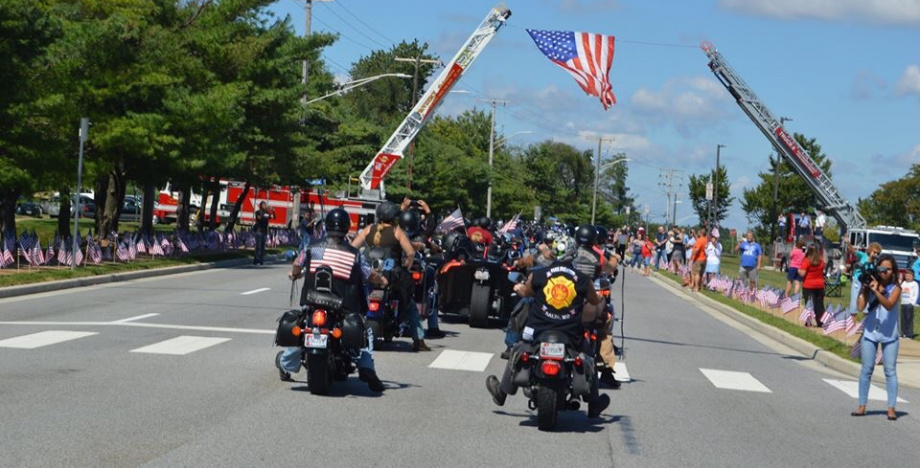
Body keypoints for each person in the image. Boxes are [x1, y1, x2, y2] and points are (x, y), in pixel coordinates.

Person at [485, 235, 611, 419]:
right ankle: (593, 404)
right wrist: (598, 297)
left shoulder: (539, 274)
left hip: (537, 330)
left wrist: (518, 288)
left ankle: (502, 393)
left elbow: (526, 292)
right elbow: (593, 300)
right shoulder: (583, 279)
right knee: (588, 356)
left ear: (553, 253)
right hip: (571, 334)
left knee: (517, 349)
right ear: (573, 254)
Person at [276, 208, 387, 392]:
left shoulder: (312, 248)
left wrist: (294, 274)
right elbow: (369, 275)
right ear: (346, 228)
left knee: (304, 330)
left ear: (326, 225)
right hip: (342, 306)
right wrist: (382, 279)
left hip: (313, 301)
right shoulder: (354, 254)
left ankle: (286, 363)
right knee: (366, 332)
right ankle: (367, 367)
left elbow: (297, 265)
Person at [351, 201, 430, 352]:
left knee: (356, 297)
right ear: (395, 217)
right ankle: (418, 339)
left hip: (369, 273)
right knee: (410, 305)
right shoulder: (397, 231)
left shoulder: (368, 229)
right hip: (391, 274)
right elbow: (410, 253)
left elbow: (353, 247)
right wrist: (407, 264)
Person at [851, 254, 902, 421]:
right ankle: (862, 406)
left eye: (888, 269)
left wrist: (876, 291)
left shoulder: (895, 288)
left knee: (890, 371)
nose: (884, 272)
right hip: (870, 332)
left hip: (890, 334)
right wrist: (864, 288)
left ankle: (891, 408)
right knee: (866, 369)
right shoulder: (872, 283)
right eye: (881, 268)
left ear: (893, 271)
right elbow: (860, 307)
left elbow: (889, 305)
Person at [572, 225, 622, 389]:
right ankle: (606, 369)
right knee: (604, 326)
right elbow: (610, 267)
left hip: (567, 297)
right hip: (587, 298)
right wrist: (616, 258)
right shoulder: (597, 255)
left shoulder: (569, 251)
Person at [798, 243, 826, 327]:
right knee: (819, 305)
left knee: (809, 304)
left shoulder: (807, 260)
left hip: (809, 285)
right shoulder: (821, 261)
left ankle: (809, 321)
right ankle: (820, 321)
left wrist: (798, 270)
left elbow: (802, 273)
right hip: (820, 285)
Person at [900, 270, 917, 339]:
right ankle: (903, 333)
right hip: (903, 302)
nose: (908, 277)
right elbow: (900, 290)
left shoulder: (914, 284)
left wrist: (912, 302)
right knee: (903, 319)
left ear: (913, 276)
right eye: (907, 276)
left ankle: (909, 334)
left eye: (910, 276)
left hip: (909, 303)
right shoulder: (904, 283)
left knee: (909, 319)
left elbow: (916, 294)